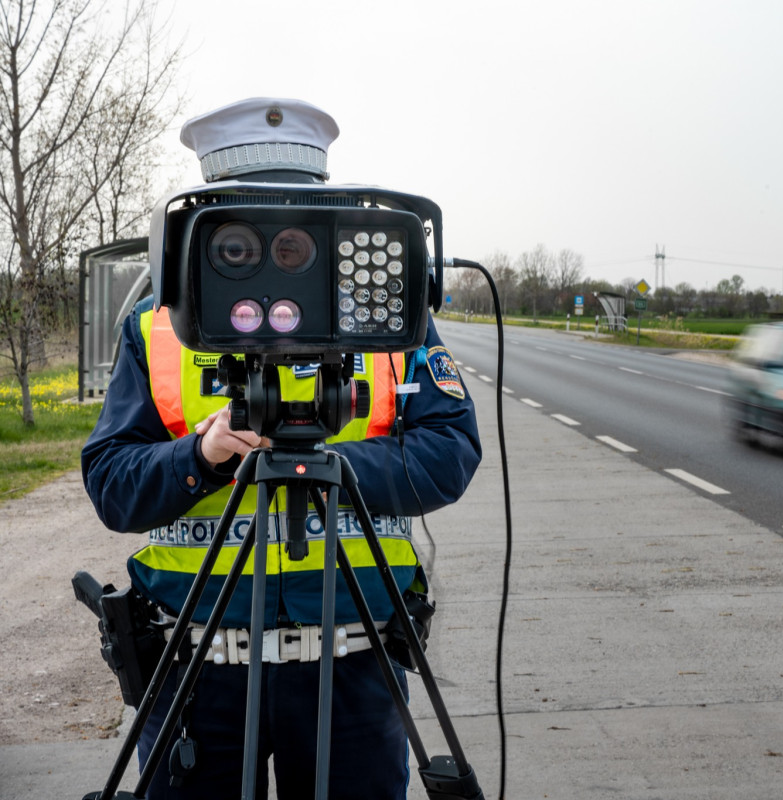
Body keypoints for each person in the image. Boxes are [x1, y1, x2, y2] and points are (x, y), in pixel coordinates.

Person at [80, 98, 482, 799]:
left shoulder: (389, 319)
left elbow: (450, 450)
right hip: (195, 669)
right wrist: (199, 458)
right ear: (204, 226)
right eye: (242, 239)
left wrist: (337, 471)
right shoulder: (155, 327)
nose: (275, 254)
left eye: (295, 235)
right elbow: (113, 485)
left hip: (355, 667)